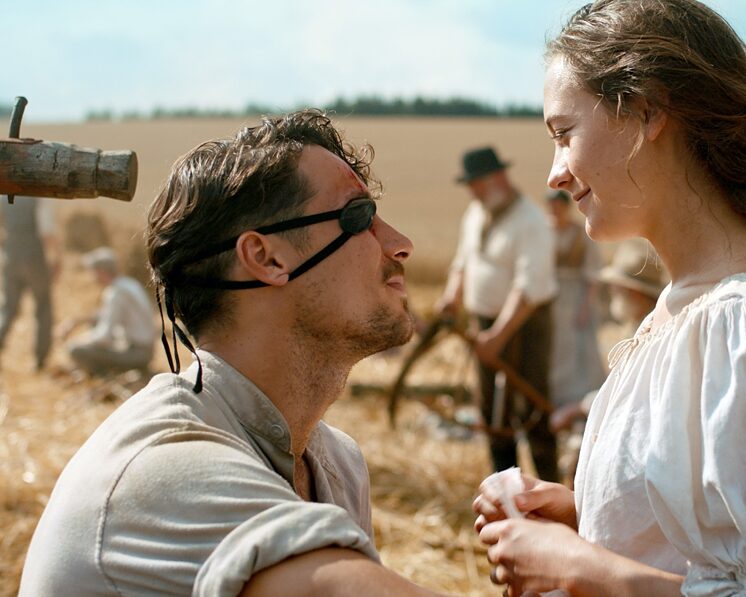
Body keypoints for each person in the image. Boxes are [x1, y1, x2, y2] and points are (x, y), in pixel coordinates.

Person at [473, 1, 746, 594]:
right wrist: (586, 516)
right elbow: (699, 555)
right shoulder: (684, 311)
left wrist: (581, 568)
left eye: (565, 134)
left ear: (645, 111)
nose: (555, 174)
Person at [20, 110, 443, 596]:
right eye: (360, 216)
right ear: (266, 258)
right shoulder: (165, 467)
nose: (400, 244)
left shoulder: (335, 463)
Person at [436, 146, 559, 482]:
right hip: (486, 327)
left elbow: (528, 289)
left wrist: (498, 337)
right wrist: (452, 296)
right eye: (471, 184)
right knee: (493, 415)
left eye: (477, 182)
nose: (473, 190)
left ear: (500, 178)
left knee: (533, 412)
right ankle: (504, 492)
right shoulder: (476, 213)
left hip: (524, 327)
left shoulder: (531, 222)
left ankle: (550, 491)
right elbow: (463, 261)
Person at [549, 238, 665, 434]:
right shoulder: (633, 328)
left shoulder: (652, 336)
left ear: (636, 292)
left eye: (618, 286)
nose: (612, 291)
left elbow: (626, 394)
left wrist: (579, 409)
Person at [545, 189, 605, 413]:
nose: (554, 211)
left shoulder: (580, 234)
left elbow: (592, 272)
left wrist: (585, 305)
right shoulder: (544, 232)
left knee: (575, 345)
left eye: (558, 207)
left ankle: (578, 395)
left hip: (574, 295)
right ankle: (555, 393)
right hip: (551, 295)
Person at [58, 246, 157, 377]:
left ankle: (105, 376)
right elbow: (103, 316)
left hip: (136, 354)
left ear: (101, 272)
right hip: (146, 350)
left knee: (75, 350)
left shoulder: (115, 293)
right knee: (93, 327)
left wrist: (79, 340)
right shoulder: (129, 284)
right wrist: (77, 322)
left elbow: (104, 337)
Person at [0, 196, 61, 371]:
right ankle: (40, 360)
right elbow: (47, 231)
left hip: (11, 256)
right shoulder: (39, 198)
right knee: (43, 306)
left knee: (8, 308)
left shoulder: (4, 197)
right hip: (34, 258)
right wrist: (57, 258)